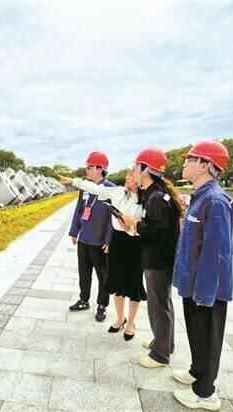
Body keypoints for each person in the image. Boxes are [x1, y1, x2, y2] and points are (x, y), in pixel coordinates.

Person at [171, 141, 233, 411]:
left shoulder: (215, 201)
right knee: (197, 334)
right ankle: (197, 372)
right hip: (193, 283)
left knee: (207, 338)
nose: (184, 163)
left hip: (206, 288)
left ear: (206, 165)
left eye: (190, 159)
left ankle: (206, 394)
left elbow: (216, 253)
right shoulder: (200, 196)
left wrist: (205, 293)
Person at [61, 169, 144, 339]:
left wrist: (129, 229)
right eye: (127, 175)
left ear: (140, 179)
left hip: (134, 242)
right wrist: (73, 181)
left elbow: (146, 225)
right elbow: (94, 190)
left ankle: (130, 323)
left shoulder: (145, 199)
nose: (127, 178)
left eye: (131, 176)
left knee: (133, 285)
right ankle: (120, 319)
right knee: (117, 283)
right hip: (117, 240)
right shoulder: (117, 192)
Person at [119, 147, 183, 368]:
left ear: (145, 169)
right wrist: (134, 226)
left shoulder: (156, 197)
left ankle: (160, 355)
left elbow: (157, 232)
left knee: (158, 306)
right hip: (158, 259)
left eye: (136, 167)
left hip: (158, 261)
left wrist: (135, 224)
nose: (133, 171)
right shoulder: (154, 193)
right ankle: (164, 343)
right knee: (162, 303)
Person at [67, 151, 115, 322]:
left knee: (103, 275)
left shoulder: (110, 189)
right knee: (84, 272)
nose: (86, 170)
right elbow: (79, 209)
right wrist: (74, 231)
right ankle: (83, 300)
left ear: (100, 169)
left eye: (89, 167)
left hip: (100, 241)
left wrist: (109, 239)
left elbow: (114, 217)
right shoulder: (85, 187)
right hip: (84, 238)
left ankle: (102, 305)